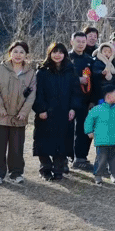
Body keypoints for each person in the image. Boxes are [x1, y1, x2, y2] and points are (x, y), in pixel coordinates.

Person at [0, 41, 36, 185]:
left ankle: (16, 173)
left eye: (21, 52)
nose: (18, 55)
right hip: (0, 115)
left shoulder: (30, 73)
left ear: (26, 55)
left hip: (18, 117)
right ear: (10, 53)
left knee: (16, 147)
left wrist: (24, 112)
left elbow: (32, 94)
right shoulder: (0, 69)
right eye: (15, 51)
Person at [33, 42, 82, 181]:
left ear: (65, 54)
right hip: (46, 113)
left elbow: (76, 92)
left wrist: (73, 108)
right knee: (43, 142)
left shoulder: (71, 70)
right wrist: (41, 109)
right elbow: (37, 93)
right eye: (55, 52)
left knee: (62, 142)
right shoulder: (42, 71)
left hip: (64, 112)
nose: (57, 55)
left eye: (61, 52)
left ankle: (58, 169)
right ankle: (45, 169)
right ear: (49, 53)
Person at [84, 87, 115, 185]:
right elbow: (89, 120)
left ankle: (114, 174)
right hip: (101, 141)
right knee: (101, 159)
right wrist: (89, 131)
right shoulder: (97, 109)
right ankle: (98, 175)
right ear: (109, 96)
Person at [68, 31, 94, 170]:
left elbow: (94, 82)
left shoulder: (90, 59)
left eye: (83, 42)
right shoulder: (65, 58)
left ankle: (81, 158)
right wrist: (77, 80)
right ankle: (67, 157)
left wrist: (93, 100)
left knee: (84, 130)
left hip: (85, 100)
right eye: (78, 41)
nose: (81, 44)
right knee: (68, 130)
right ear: (72, 42)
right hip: (68, 100)